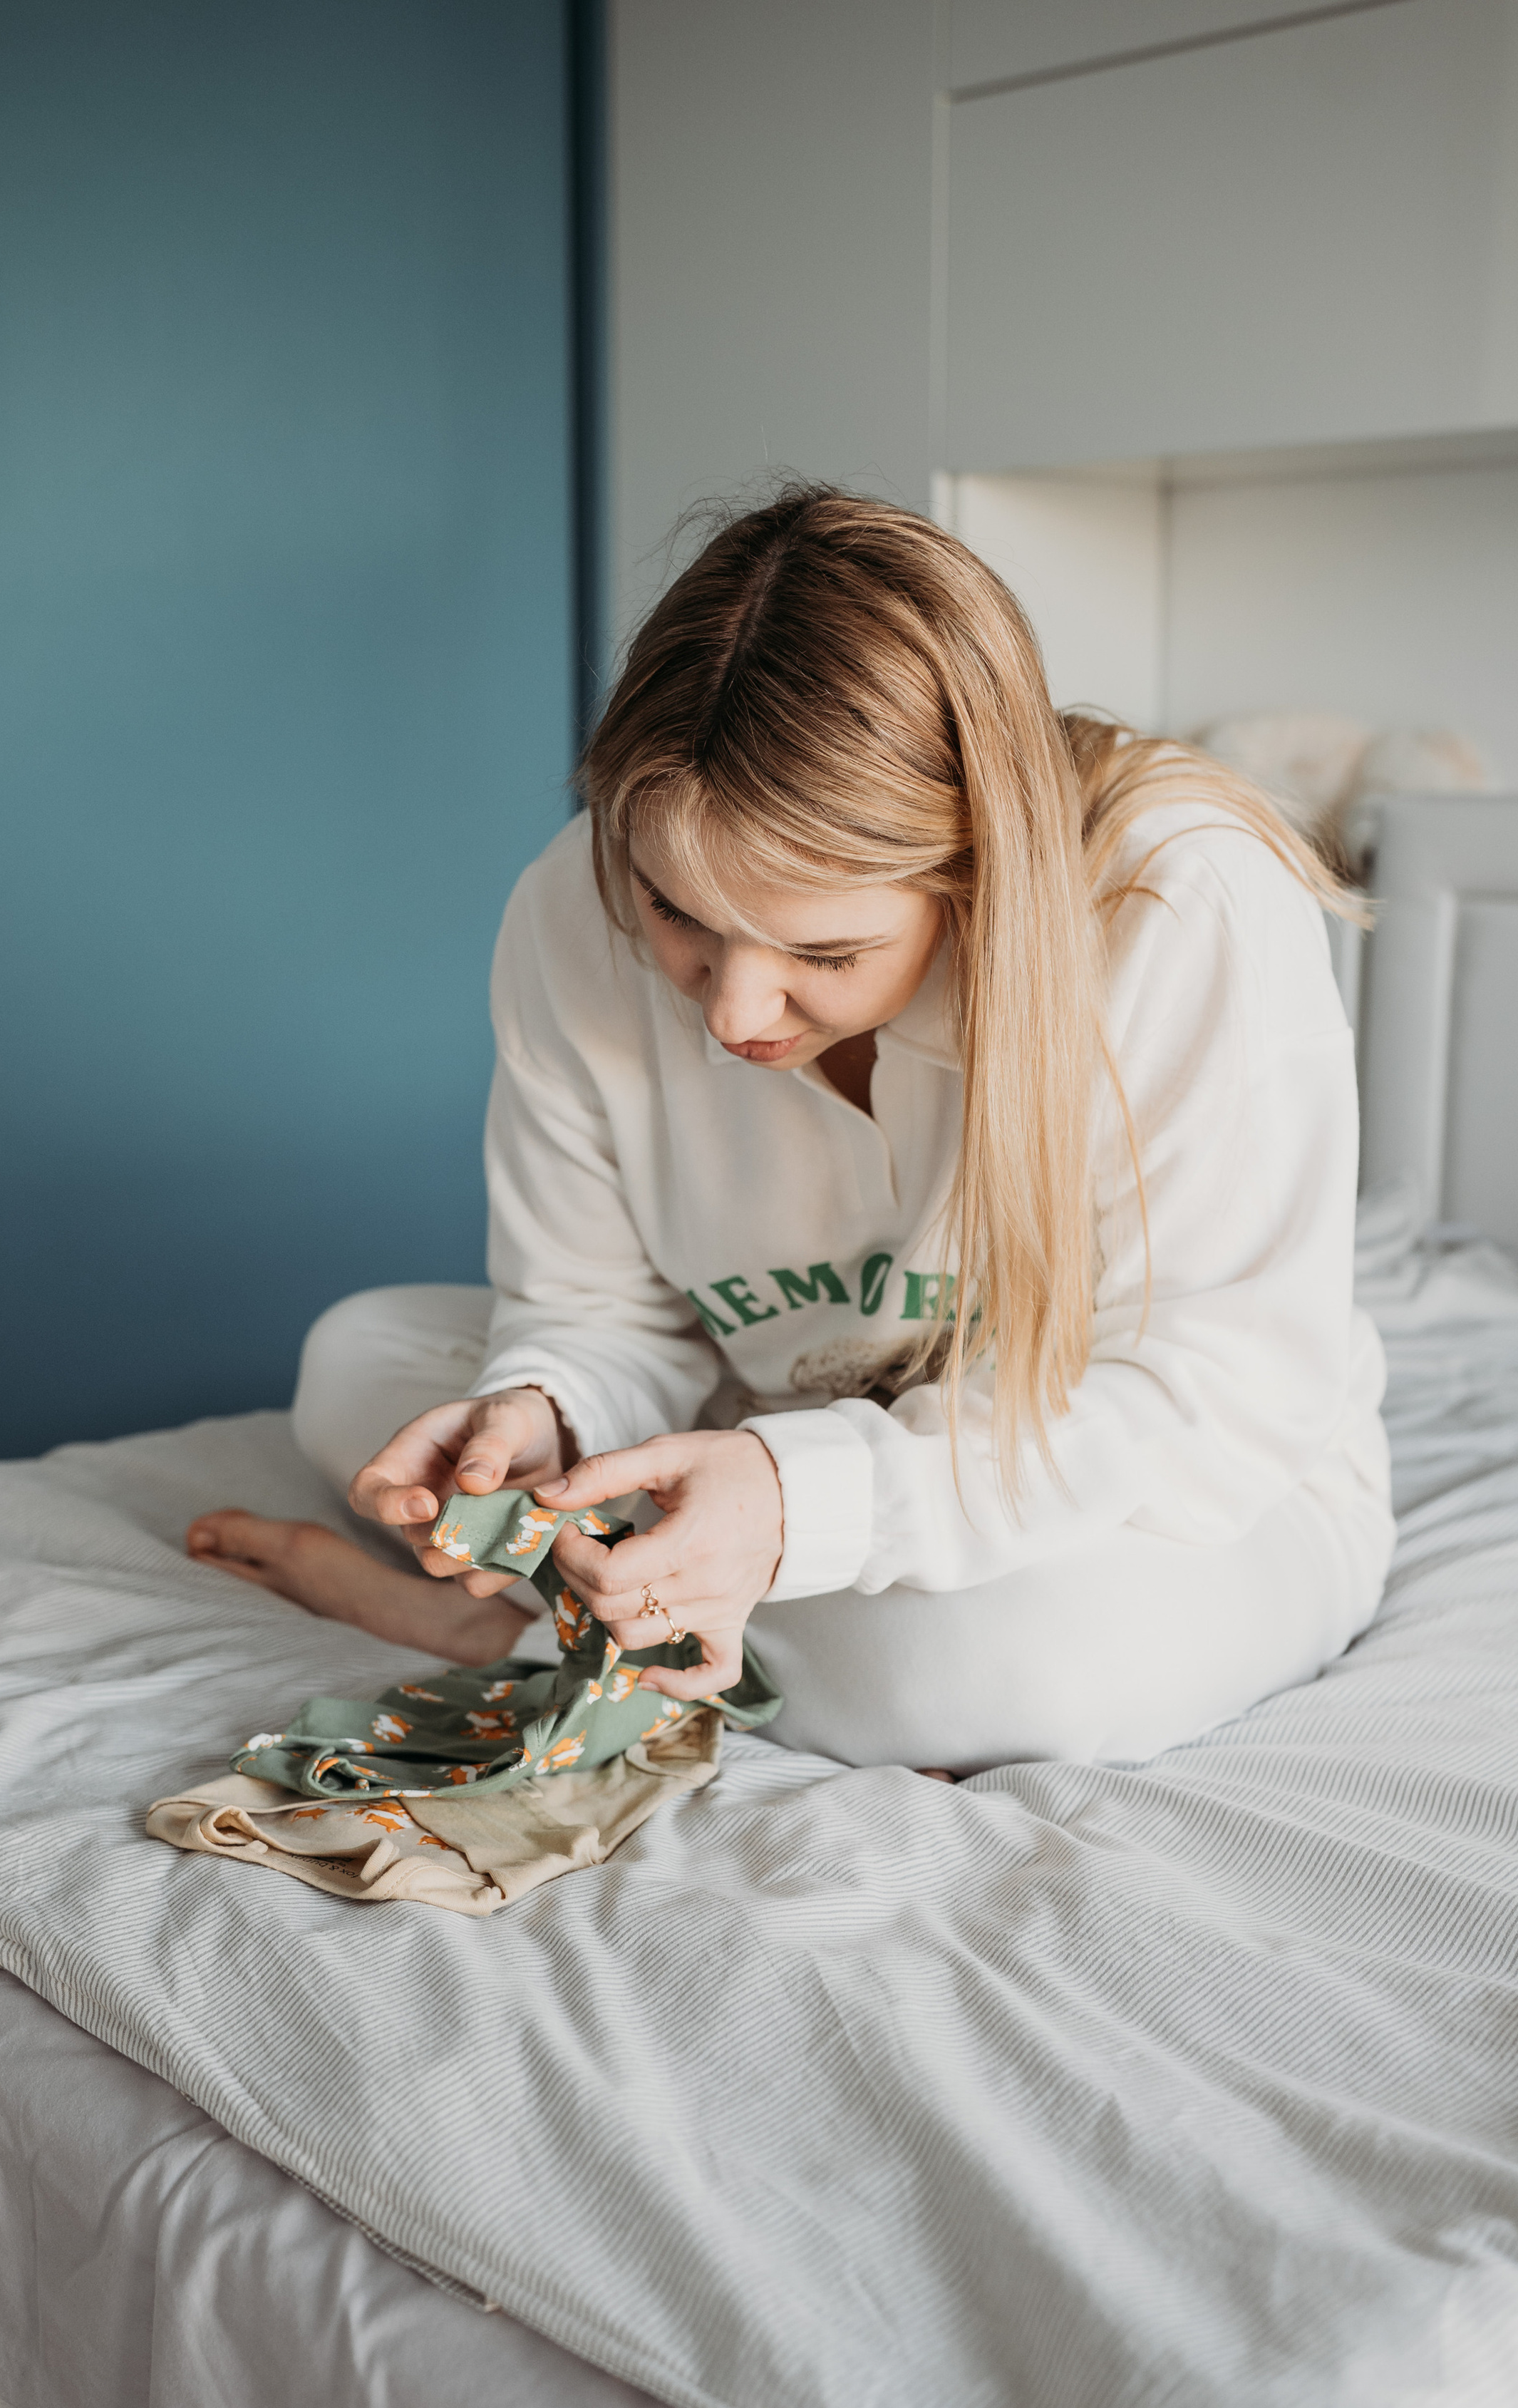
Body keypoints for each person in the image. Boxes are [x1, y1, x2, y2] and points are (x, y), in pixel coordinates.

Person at [187, 488, 1393, 1775]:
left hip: (1151, 1474)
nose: (732, 1018)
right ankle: (643, 1600)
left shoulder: (1182, 898)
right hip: (772, 1408)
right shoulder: (568, 906)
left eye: (824, 952)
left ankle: (518, 1628)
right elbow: (598, 1313)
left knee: (1013, 1672)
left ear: (974, 872)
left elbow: (1210, 1400)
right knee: (354, 1362)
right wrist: (544, 1414)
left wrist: (797, 1500)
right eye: (678, 917)